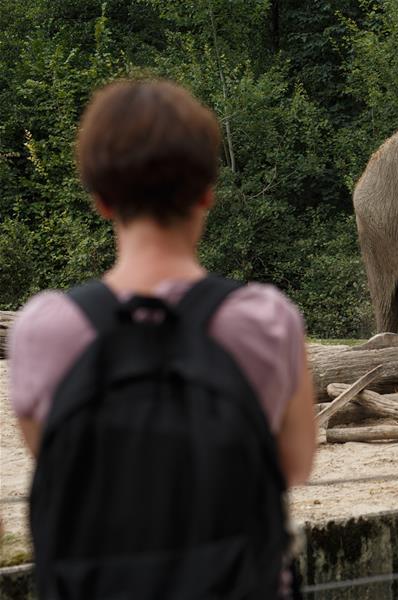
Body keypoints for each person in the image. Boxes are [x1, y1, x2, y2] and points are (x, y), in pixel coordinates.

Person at [8, 79, 317, 598]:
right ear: (205, 193)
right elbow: (294, 465)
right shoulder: (267, 320)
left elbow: (59, 462)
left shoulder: (43, 328)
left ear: (102, 200)